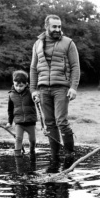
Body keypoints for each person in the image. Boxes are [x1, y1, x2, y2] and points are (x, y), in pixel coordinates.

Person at [30, 14, 80, 167]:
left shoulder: (68, 43)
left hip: (61, 88)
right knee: (49, 123)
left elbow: (75, 67)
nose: (58, 29)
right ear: (47, 27)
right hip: (43, 88)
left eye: (59, 26)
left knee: (61, 121)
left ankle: (70, 154)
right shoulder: (37, 44)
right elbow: (33, 68)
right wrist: (33, 90)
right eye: (54, 27)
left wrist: (73, 87)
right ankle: (54, 156)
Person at [6, 70, 37, 158]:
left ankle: (32, 152)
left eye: (21, 86)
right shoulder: (11, 94)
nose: (18, 88)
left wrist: (37, 99)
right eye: (16, 85)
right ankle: (17, 155)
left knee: (32, 140)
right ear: (13, 83)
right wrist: (9, 122)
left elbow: (38, 98)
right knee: (18, 138)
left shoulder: (31, 92)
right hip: (18, 122)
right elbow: (10, 110)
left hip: (30, 121)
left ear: (26, 84)